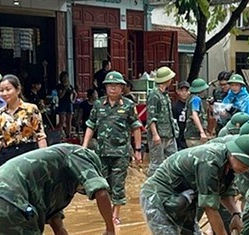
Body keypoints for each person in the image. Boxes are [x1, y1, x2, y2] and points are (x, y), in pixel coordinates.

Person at [82, 70, 143, 225]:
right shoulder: (98, 105)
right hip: (101, 152)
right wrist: (84, 146)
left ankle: (115, 214)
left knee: (118, 184)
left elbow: (136, 127)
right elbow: (90, 125)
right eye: (110, 86)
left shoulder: (129, 106)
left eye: (116, 86)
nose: (113, 89)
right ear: (106, 88)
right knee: (103, 184)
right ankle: (107, 211)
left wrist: (137, 150)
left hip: (121, 152)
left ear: (122, 88)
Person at [0, 75, 47, 184]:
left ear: (18, 89)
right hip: (8, 157)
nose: (5, 93)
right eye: (1, 90)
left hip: (29, 155)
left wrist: (45, 160)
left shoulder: (31, 109)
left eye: (8, 89)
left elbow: (40, 137)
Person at [146, 67, 178, 176]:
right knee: (157, 164)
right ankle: (152, 186)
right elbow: (151, 116)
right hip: (159, 134)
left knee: (173, 161)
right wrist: (155, 134)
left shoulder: (164, 94)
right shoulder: (154, 94)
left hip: (169, 133)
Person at [184, 78, 210, 147]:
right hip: (195, 136)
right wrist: (202, 132)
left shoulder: (190, 98)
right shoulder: (196, 99)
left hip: (189, 135)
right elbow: (194, 115)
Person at [56, 71, 76, 137]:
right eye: (63, 77)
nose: (65, 78)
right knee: (62, 121)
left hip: (69, 104)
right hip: (62, 104)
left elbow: (75, 93)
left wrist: (73, 100)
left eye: (66, 77)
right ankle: (59, 134)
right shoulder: (60, 86)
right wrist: (65, 89)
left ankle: (68, 134)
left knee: (69, 121)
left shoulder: (70, 86)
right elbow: (60, 96)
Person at [173, 81, 190, 150]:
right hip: (180, 134)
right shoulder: (175, 106)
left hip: (190, 134)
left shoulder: (191, 104)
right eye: (182, 90)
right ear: (178, 91)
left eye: (186, 90)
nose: (184, 93)